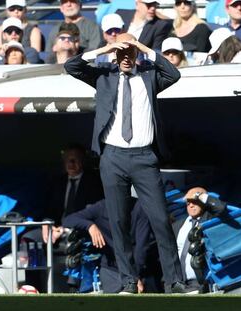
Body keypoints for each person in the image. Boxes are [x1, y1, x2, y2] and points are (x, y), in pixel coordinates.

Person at [64, 33, 188, 294]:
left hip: (144, 157)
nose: (126, 57)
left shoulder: (150, 75)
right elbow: (71, 66)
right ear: (114, 54)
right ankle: (128, 280)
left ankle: (175, 280)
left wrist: (143, 47)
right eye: (121, 53)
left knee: (160, 220)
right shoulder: (103, 75)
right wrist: (105, 49)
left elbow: (174, 74)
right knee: (119, 222)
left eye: (130, 53)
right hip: (113, 157)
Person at [62, 198, 163, 293]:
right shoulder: (102, 207)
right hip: (111, 269)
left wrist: (135, 276)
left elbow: (141, 248)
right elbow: (68, 220)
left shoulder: (139, 207)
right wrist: (90, 226)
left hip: (137, 268)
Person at [42, 143, 104, 243]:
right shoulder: (58, 183)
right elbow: (50, 210)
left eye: (75, 159)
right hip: (57, 229)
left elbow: (92, 212)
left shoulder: (93, 183)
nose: (71, 163)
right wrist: (47, 223)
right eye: (68, 159)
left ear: (82, 161)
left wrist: (65, 229)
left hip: (81, 228)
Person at [172, 187, 227, 292]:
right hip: (179, 284)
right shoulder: (178, 225)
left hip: (201, 283)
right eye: (188, 203)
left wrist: (200, 195)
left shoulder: (211, 219)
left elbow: (221, 208)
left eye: (194, 202)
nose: (191, 205)